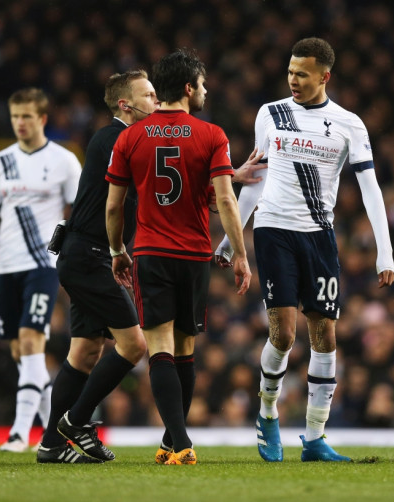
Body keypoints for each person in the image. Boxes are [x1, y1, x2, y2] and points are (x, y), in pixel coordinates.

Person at [215, 37, 394, 462]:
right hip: (275, 230)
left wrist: (384, 251)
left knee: (326, 336)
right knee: (284, 334)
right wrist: (231, 236)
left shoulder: (349, 123)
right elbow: (256, 179)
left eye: (302, 73)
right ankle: (267, 416)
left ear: (324, 76)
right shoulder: (271, 113)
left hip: (319, 236)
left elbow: (371, 189)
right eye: (291, 72)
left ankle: (315, 438)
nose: (293, 80)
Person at [105, 48, 252, 465]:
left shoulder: (129, 137)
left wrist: (118, 250)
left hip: (151, 252)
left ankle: (177, 440)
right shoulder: (213, 135)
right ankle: (176, 442)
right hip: (194, 255)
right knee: (185, 348)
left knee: (161, 350)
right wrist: (240, 254)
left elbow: (114, 207)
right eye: (202, 85)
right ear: (188, 88)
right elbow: (223, 197)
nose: (205, 91)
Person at [35, 70, 159, 464]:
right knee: (134, 345)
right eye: (149, 95)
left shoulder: (113, 139)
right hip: (91, 257)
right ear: (126, 104)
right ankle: (76, 422)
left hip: (85, 255)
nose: (156, 102)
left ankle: (51, 446)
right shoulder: (119, 138)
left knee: (86, 351)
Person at [0, 87, 82, 452]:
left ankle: (19, 432)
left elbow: (78, 213)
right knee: (19, 350)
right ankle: (54, 427)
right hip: (6, 264)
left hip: (43, 262)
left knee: (31, 339)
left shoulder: (64, 161)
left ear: (42, 119)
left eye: (26, 116)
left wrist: (65, 252)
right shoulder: (1, 161)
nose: (19, 123)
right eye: (14, 117)